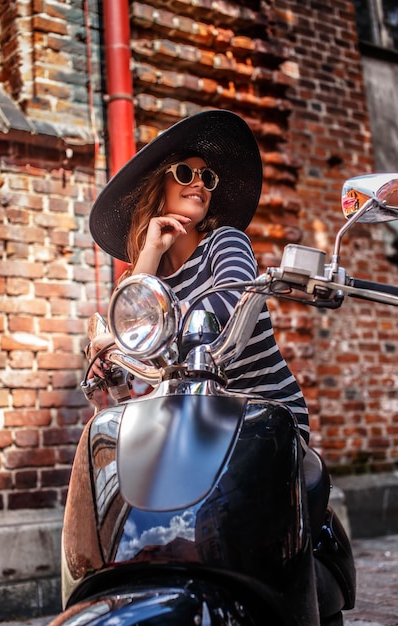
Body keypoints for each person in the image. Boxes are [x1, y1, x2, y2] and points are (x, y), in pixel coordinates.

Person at [88, 109, 309, 449]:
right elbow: (130, 356)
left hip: (262, 412)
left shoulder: (225, 242)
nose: (199, 183)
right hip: (195, 425)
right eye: (185, 173)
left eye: (207, 178)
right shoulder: (143, 280)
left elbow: (227, 302)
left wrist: (138, 331)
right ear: (158, 186)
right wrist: (150, 252)